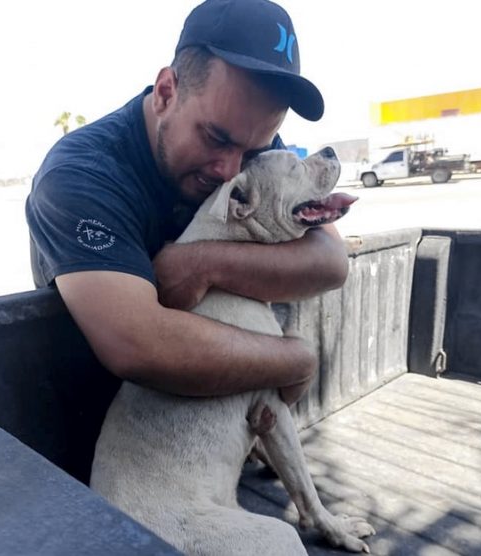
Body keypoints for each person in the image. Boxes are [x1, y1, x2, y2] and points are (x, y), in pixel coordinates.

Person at [25, 0, 345, 404]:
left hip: (222, 416)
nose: (231, 171)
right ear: (165, 93)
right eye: (215, 138)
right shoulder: (81, 175)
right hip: (98, 434)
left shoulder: (244, 139)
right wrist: (296, 360)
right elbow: (137, 343)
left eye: (251, 153)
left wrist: (202, 264)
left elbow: (331, 259)